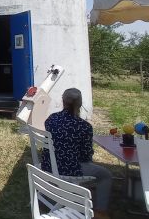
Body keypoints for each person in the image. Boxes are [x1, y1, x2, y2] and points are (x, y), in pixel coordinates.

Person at [43, 88, 112, 219]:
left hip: (48, 165)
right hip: (70, 168)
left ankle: (71, 194)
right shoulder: (84, 126)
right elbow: (86, 156)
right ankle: (100, 212)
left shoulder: (51, 119)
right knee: (106, 175)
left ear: (63, 101)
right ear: (80, 104)